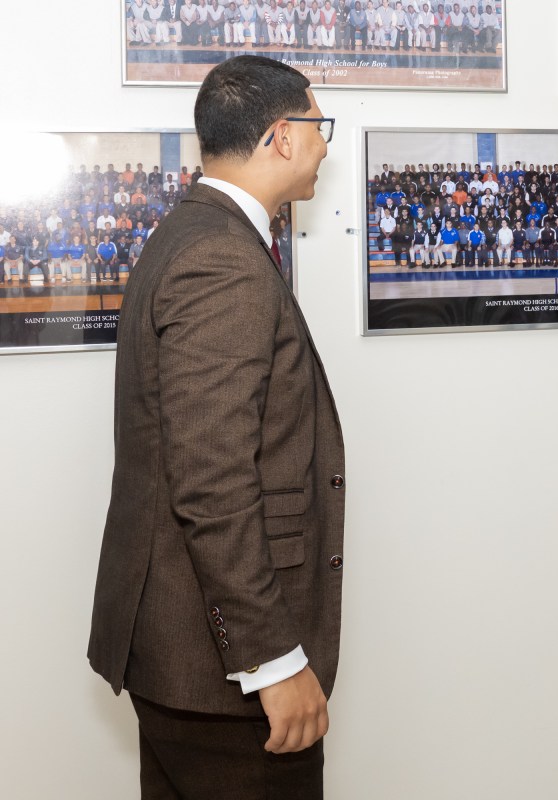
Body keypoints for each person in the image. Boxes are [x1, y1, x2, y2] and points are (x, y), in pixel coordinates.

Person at [88, 56, 344, 799]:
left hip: (188, 657)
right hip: (219, 673)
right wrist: (272, 662)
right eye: (319, 126)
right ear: (283, 136)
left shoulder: (195, 232)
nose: (326, 145)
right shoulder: (221, 259)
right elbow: (213, 481)